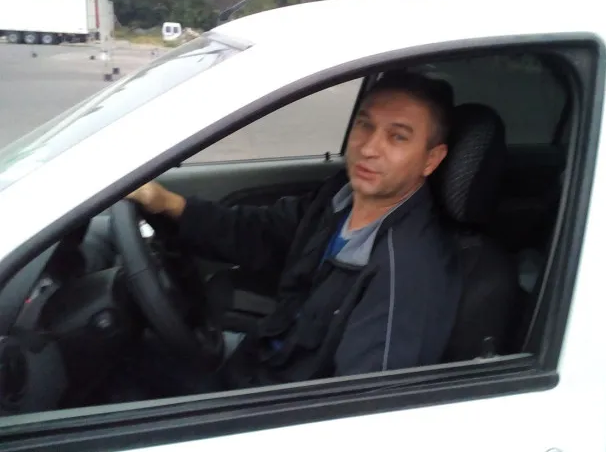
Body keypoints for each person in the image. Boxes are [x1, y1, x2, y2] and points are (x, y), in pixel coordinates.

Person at [92, 70, 463, 398]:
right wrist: (168, 204)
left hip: (275, 407)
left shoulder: (408, 272)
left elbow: (362, 408)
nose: (369, 148)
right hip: (259, 362)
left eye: (397, 137)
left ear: (431, 159)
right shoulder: (340, 197)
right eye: (365, 125)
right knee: (123, 361)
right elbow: (261, 232)